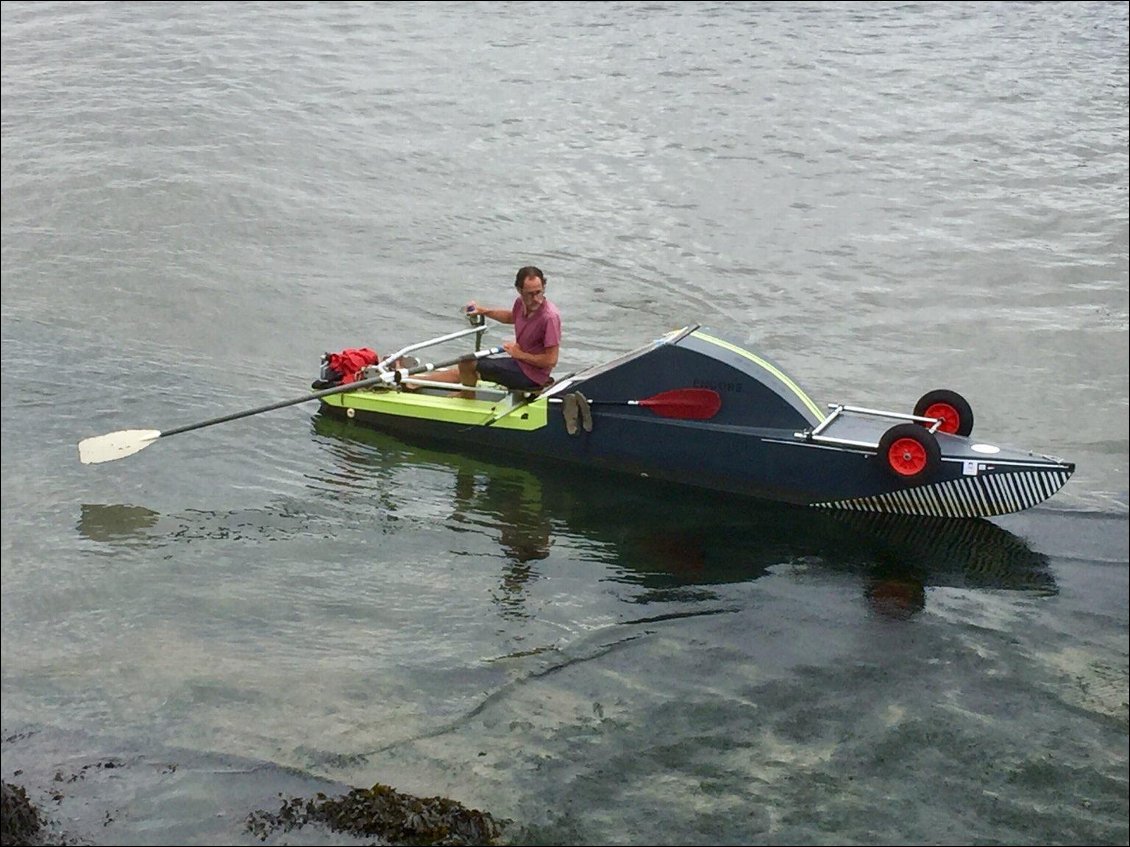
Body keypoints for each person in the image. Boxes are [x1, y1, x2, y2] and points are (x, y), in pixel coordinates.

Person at [418, 265, 562, 398]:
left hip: (532, 376)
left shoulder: (549, 317)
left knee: (467, 363)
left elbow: (551, 360)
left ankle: (466, 397)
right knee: (462, 370)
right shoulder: (521, 303)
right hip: (519, 364)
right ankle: (415, 380)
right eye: (530, 294)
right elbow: (511, 316)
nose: (536, 299)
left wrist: (520, 354)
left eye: (539, 292)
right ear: (519, 290)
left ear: (543, 287)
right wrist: (484, 311)